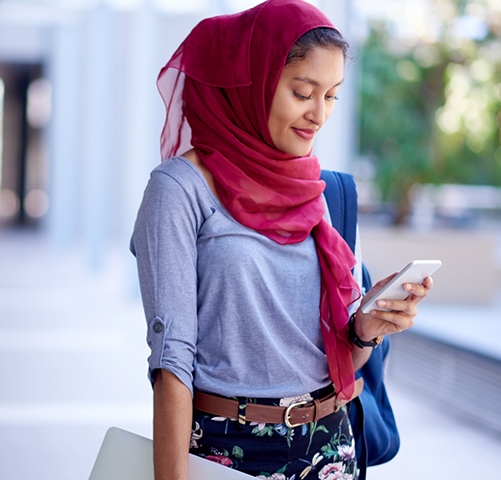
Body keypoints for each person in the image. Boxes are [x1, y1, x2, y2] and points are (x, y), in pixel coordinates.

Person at [130, 0, 433, 479]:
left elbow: (339, 360)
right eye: (302, 92)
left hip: (331, 448)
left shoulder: (321, 191)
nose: (318, 114)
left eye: (331, 96)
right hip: (229, 451)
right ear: (250, 82)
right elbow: (172, 361)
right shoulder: (179, 190)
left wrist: (366, 327)